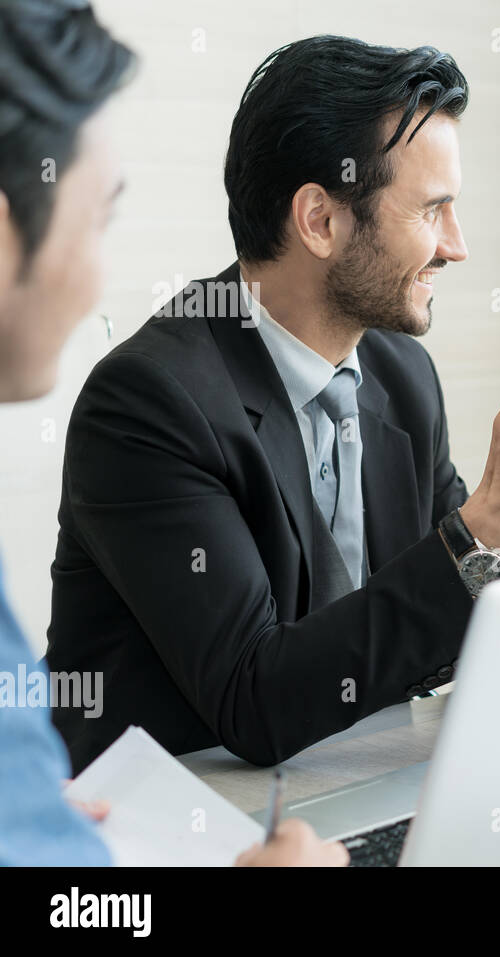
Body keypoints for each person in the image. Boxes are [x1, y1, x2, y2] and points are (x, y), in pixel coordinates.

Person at [45, 34, 500, 773]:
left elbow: (439, 622)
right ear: (320, 220)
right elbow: (254, 701)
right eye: (434, 210)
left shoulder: (403, 378)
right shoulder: (149, 404)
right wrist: (491, 526)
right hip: (179, 826)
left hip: (358, 786)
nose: (458, 246)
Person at [0, 0, 342, 865]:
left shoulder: (401, 379)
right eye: (100, 218)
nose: (100, 280)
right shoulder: (153, 395)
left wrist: (33, 816)